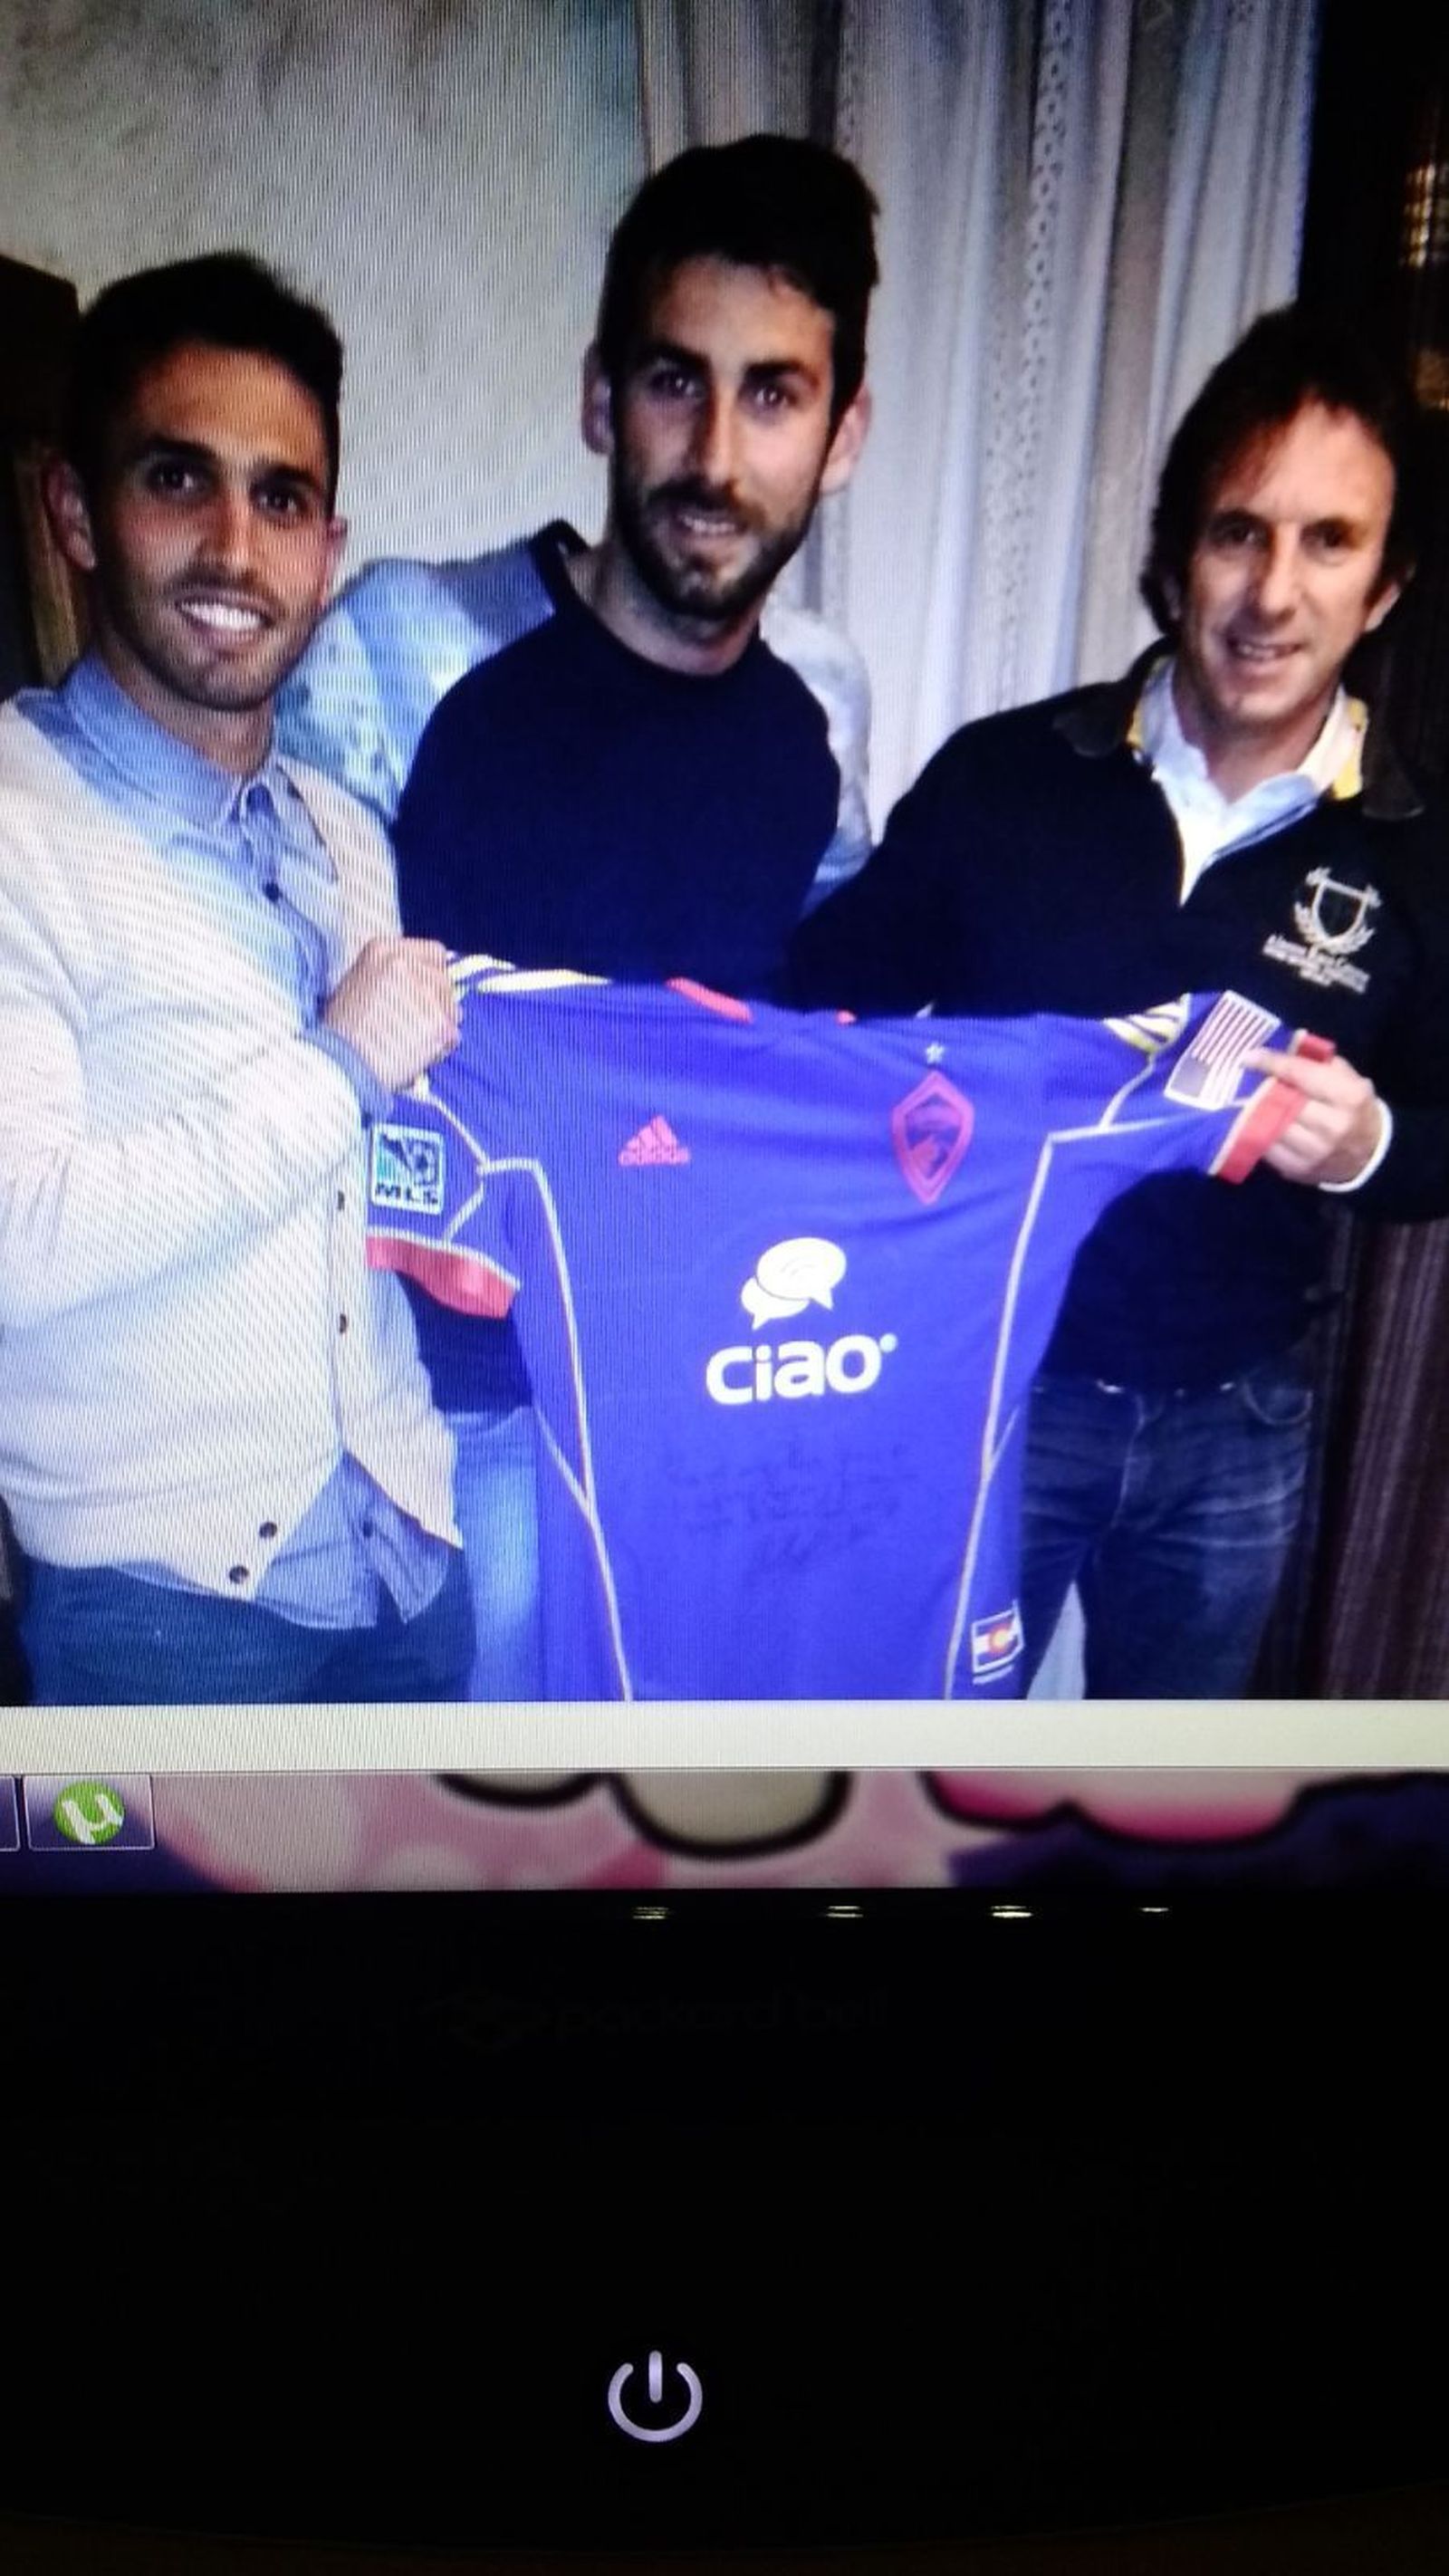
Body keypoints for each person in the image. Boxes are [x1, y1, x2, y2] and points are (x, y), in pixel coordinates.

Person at [280, 134, 880, 1699]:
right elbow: (278, 1030)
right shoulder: (411, 643)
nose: (716, 453)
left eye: (775, 394)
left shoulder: (821, 705)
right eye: (677, 382)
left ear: (845, 433)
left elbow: (813, 1040)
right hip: (468, 1419)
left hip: (712, 1399)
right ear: (601, 398)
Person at [791, 307, 1449, 1698]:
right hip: (992, 1394)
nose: (1273, 593)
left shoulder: (1419, 853)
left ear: (1386, 586)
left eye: (1330, 542)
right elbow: (816, 1013)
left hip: (1242, 1424)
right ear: (1172, 559)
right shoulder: (1004, 779)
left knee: (1168, 1799)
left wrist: (1373, 1144)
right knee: (920, 1761)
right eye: (1238, 532)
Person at [0, 254, 470, 1706]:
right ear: (76, 513)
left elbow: (365, 1186)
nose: (231, 547)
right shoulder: (14, 828)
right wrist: (335, 1068)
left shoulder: (344, 831)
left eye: (279, 499)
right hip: (160, 1617)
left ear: (329, 549)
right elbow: (21, 1240)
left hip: (406, 1558)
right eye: (175, 480)